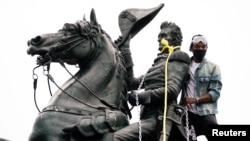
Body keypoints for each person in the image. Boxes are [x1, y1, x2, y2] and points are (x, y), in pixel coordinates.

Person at [101, 21, 191, 141]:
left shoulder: (178, 58)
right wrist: (125, 49)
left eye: (163, 36)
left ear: (174, 39)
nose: (159, 40)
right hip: (146, 118)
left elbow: (172, 90)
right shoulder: (158, 64)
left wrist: (140, 97)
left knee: (114, 138)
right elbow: (131, 84)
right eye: (158, 37)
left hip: (159, 119)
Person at [181, 34, 222, 140]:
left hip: (206, 112)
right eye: (197, 46)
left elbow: (215, 93)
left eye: (203, 47)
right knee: (182, 136)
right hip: (187, 113)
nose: (200, 49)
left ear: (206, 48)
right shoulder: (184, 66)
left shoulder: (213, 67)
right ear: (191, 48)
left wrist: (195, 100)